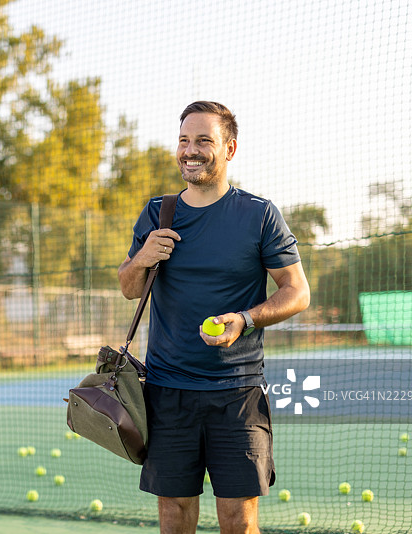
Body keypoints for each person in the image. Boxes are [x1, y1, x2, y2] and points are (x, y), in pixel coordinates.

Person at [117, 101, 310, 534]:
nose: (190, 150)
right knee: (174, 514)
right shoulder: (158, 212)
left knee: (238, 520)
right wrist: (143, 257)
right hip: (167, 391)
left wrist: (245, 319)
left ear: (229, 149)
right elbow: (129, 287)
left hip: (237, 393)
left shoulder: (259, 214)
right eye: (184, 140)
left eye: (203, 140)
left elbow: (297, 291)